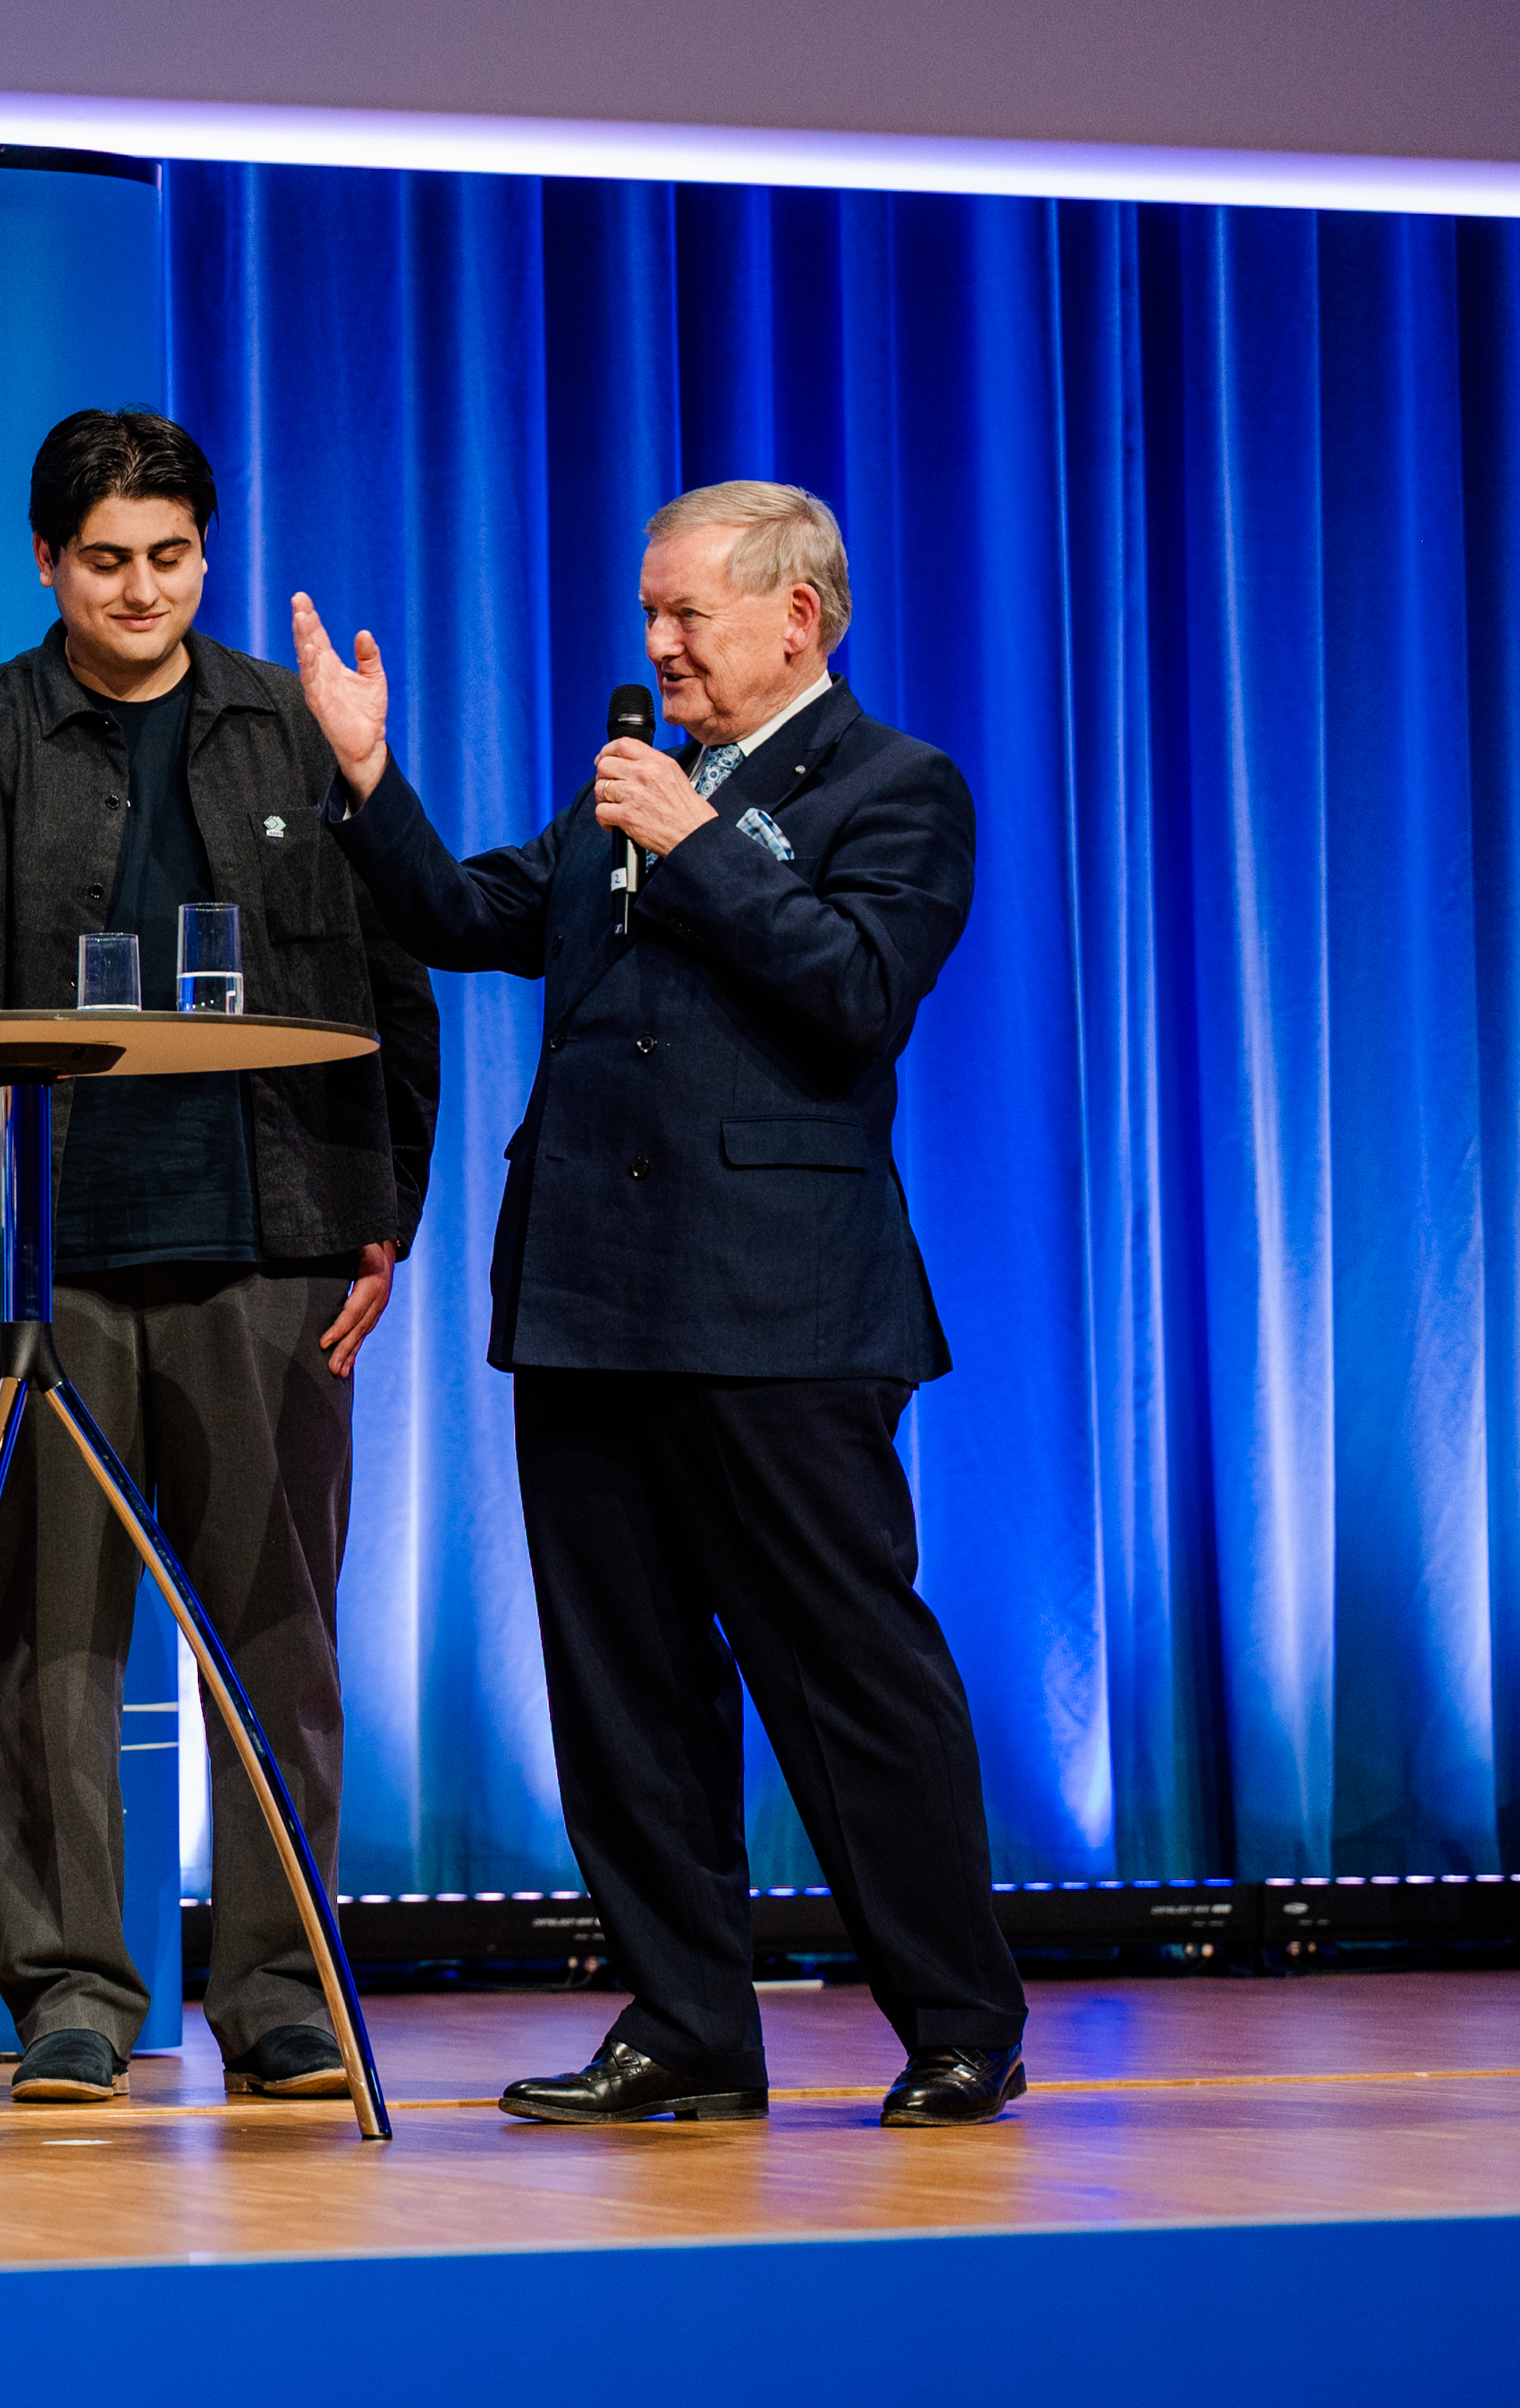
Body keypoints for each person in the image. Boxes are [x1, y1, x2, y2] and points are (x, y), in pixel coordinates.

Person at [302, 479, 1027, 2127]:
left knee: (848, 1677)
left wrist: (695, 845)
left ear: (798, 616)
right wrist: (365, 777)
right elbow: (466, 912)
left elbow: (853, 992)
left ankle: (956, 2014)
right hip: (587, 1298)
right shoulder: (632, 789)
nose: (653, 642)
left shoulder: (894, 788)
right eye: (647, 611)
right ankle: (685, 2022)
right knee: (619, 1684)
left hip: (777, 1307)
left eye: (685, 612)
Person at [0, 410, 441, 2108]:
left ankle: (277, 1982)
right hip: (39, 1245)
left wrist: (384, 1209)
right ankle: (69, 1990)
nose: (140, 587)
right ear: (47, 563)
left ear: (202, 554)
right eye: (106, 557)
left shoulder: (287, 723)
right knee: (49, 1635)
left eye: (170, 556)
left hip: (268, 1237)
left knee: (274, 1625)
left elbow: (389, 971)